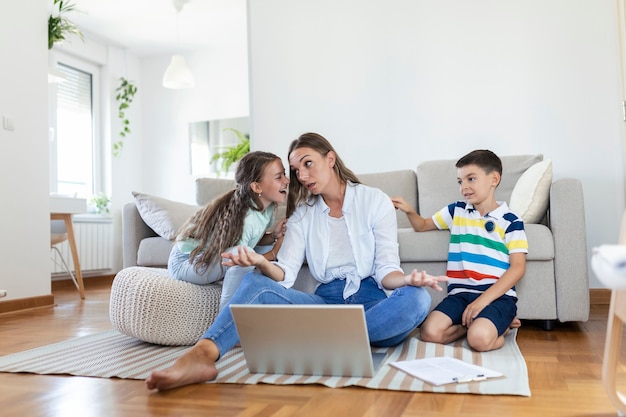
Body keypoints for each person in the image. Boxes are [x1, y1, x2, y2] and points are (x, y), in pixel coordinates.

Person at [146, 132, 447, 391]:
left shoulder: (374, 200)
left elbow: (386, 271)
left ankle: (323, 339)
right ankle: (202, 355)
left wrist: (407, 280)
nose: (301, 176)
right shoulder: (303, 212)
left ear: (330, 159)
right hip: (325, 305)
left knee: (418, 298)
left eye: (307, 164)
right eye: (295, 169)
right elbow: (285, 274)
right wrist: (259, 262)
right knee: (256, 280)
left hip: (372, 303)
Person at [391, 149, 527, 352]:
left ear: (494, 179)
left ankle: (503, 328)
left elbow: (517, 269)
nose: (464, 187)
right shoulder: (456, 211)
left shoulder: (511, 221)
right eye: (460, 181)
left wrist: (482, 302)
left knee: (479, 341)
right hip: (460, 295)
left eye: (471, 179)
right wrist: (410, 210)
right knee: (430, 333)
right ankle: (470, 326)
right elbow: (422, 225)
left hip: (496, 297)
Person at [167, 150, 289, 310]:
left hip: (217, 256)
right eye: (279, 177)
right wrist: (273, 253)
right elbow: (242, 259)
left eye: (284, 174)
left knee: (269, 250)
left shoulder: (267, 209)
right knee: (242, 253)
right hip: (186, 261)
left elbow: (254, 240)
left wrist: (273, 236)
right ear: (257, 187)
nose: (286, 181)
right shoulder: (246, 218)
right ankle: (226, 318)